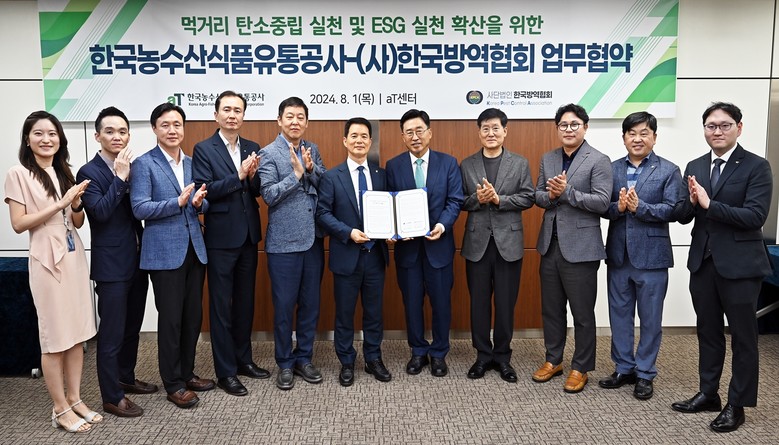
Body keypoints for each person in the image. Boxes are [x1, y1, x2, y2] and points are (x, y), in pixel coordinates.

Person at [671, 102, 773, 433]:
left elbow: (755, 217)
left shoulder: (756, 166)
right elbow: (684, 215)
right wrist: (690, 202)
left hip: (741, 266)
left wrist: (709, 204)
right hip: (703, 262)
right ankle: (708, 393)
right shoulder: (696, 165)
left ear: (739, 128)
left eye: (724, 125)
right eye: (711, 126)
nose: (717, 131)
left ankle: (737, 404)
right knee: (708, 331)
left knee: (743, 337)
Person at [4, 111, 99, 433]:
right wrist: (60, 204)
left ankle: (75, 398)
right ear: (27, 139)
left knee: (76, 334)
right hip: (47, 259)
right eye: (39, 133)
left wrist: (75, 204)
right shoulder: (18, 173)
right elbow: (19, 224)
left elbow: (77, 222)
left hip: (73, 256)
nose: (46, 139)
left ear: (60, 139)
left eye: (52, 134)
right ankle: (59, 408)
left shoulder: (64, 172)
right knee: (55, 337)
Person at [130, 103, 214, 409]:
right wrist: (176, 203)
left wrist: (199, 203)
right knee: (171, 320)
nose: (172, 130)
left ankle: (187, 373)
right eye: (165, 125)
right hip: (164, 254)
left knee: (192, 317)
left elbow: (201, 203)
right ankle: (173, 383)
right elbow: (139, 207)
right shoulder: (144, 164)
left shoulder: (192, 163)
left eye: (177, 124)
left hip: (195, 250)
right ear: (154, 129)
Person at [76, 107, 156, 418]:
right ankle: (111, 397)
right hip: (111, 266)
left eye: (122, 131)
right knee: (111, 334)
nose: (117, 136)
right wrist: (120, 178)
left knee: (132, 326)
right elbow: (100, 213)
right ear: (98, 136)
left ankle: (126, 377)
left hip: (138, 260)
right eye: (110, 131)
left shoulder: (134, 167)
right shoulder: (89, 172)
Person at [597, 112, 682, 400]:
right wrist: (619, 208)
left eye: (644, 133)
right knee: (619, 316)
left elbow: (673, 209)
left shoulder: (668, 170)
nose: (637, 138)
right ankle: (624, 368)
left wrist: (639, 208)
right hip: (618, 255)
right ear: (623, 138)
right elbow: (603, 207)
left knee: (650, 319)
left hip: (652, 257)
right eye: (631, 133)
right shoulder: (611, 169)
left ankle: (645, 373)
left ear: (654, 137)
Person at [532, 103, 612, 393]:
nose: (568, 129)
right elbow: (538, 196)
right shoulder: (548, 158)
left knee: (582, 313)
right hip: (550, 246)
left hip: (581, 248)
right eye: (563, 125)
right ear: (557, 129)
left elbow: (602, 202)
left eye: (574, 124)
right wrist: (552, 196)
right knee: (551, 310)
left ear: (585, 127)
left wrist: (567, 193)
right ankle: (553, 360)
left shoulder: (599, 160)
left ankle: (581, 367)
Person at [192, 91, 267, 397]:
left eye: (238, 110)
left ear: (243, 116)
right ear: (216, 115)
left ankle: (243, 360)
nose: (232, 115)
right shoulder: (203, 149)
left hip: (248, 235)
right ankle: (225, 372)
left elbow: (256, 190)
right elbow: (205, 189)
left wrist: (252, 176)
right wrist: (239, 174)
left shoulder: (252, 146)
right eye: (227, 109)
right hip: (221, 238)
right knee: (221, 307)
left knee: (245, 303)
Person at [386, 109, 464, 377]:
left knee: (441, 303)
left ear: (429, 133)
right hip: (407, 250)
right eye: (409, 132)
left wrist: (442, 226)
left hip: (438, 247)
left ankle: (439, 352)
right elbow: (389, 203)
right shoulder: (394, 165)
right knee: (412, 303)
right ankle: (418, 350)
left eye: (419, 130)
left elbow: (455, 200)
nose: (415, 136)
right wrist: (392, 229)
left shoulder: (448, 163)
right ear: (402, 137)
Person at [460, 108, 534, 383]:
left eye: (495, 128)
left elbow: (528, 197)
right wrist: (478, 199)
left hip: (508, 243)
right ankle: (482, 355)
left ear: (505, 131)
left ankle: (502, 356)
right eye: (485, 128)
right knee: (478, 303)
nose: (490, 133)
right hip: (477, 243)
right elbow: (459, 200)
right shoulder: (467, 164)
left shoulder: (519, 163)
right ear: (479, 132)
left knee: (505, 304)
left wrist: (499, 199)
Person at [316, 117, 391, 387]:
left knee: (374, 312)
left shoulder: (381, 174)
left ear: (370, 142)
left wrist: (393, 228)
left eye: (364, 136)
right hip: (346, 255)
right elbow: (322, 213)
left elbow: (390, 209)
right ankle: (346, 361)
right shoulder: (331, 176)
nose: (359, 141)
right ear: (345, 141)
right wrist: (348, 232)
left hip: (375, 256)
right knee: (345, 314)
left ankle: (373, 358)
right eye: (354, 136)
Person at [258, 97, 326, 390]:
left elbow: (326, 184)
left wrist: (310, 169)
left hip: (312, 241)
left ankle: (304, 358)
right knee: (285, 307)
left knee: (310, 306)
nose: (295, 121)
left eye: (300, 117)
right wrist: (297, 175)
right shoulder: (268, 153)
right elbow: (269, 195)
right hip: (283, 243)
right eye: (290, 116)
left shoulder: (313, 149)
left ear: (306, 122)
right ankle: (285, 363)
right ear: (279, 120)